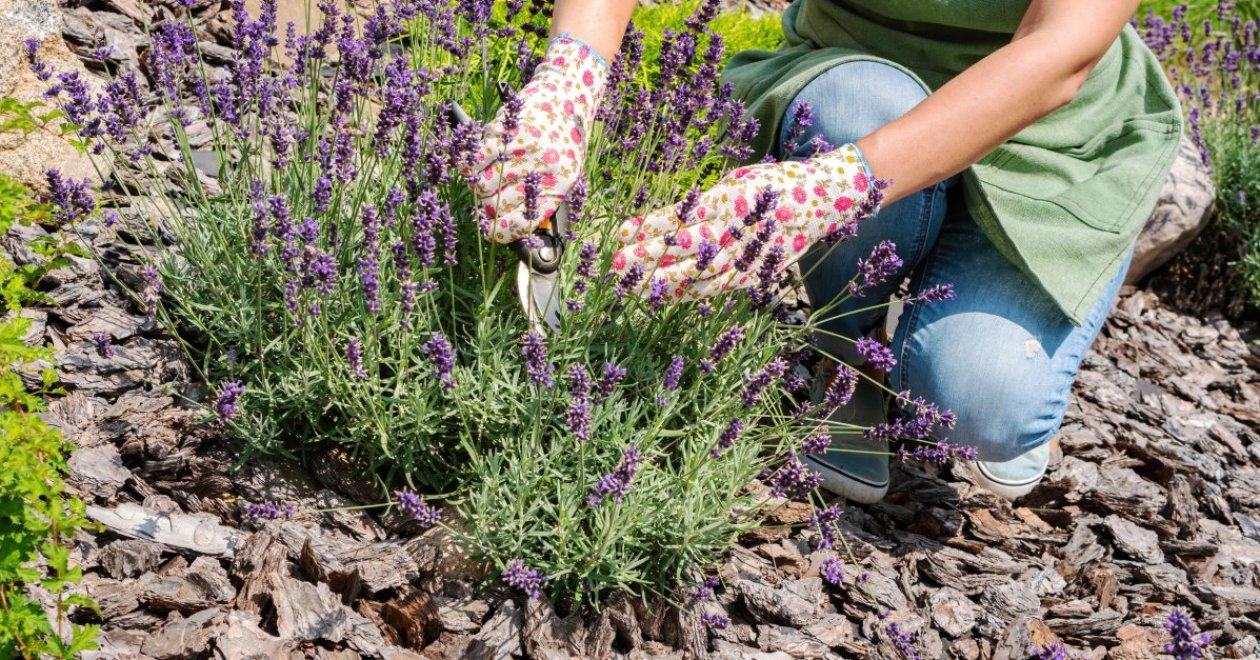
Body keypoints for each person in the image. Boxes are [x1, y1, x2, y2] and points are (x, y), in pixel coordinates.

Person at [463, 0, 1183, 503]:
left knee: (981, 409)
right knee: (854, 109)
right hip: (858, 80)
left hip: (1048, 132)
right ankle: (848, 353)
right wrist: (568, 82)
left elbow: (1061, 50)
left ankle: (996, 303)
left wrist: (830, 189)